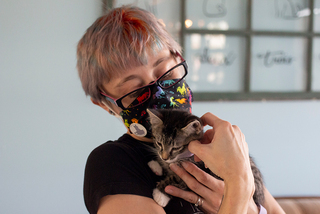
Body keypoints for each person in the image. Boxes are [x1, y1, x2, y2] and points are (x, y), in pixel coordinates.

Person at [77, 5, 285, 214]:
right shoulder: (113, 163)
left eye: (167, 75)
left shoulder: (217, 144)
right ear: (106, 105)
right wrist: (238, 189)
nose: (160, 94)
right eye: (136, 90)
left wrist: (251, 208)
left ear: (179, 59)